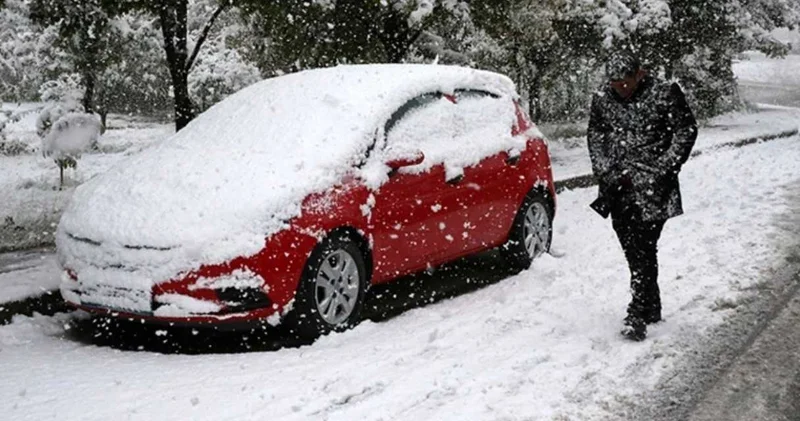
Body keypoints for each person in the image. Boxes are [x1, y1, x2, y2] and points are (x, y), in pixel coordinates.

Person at [587, 52, 698, 341]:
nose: (620, 88)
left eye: (626, 82)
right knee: (630, 244)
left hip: (653, 187)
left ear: (640, 73)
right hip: (617, 186)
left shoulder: (665, 93)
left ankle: (637, 310)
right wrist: (603, 168)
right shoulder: (602, 98)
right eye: (615, 83)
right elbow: (596, 133)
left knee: (644, 245)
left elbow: (686, 130)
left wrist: (665, 167)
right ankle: (652, 304)